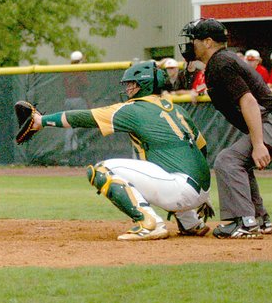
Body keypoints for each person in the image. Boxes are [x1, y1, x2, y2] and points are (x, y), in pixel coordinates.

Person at [22, 61, 213, 241]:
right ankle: (191, 223)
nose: (128, 88)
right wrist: (202, 191)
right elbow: (201, 148)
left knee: (101, 170)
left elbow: (86, 117)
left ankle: (150, 223)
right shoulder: (177, 109)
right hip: (200, 187)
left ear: (144, 85)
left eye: (132, 84)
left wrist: (41, 121)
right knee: (161, 163)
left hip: (180, 190)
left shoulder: (134, 109)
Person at [179, 18, 272, 239]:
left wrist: (259, 143)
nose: (189, 44)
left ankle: (245, 222)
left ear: (207, 42)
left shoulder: (221, 62)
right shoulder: (220, 61)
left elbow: (249, 101)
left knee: (227, 161)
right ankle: (259, 220)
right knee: (239, 163)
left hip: (269, 121)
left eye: (193, 39)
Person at [62, 51, 89, 153]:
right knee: (80, 124)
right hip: (78, 100)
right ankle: (75, 148)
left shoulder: (67, 70)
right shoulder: (80, 71)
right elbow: (85, 85)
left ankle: (68, 149)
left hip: (67, 100)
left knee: (69, 126)